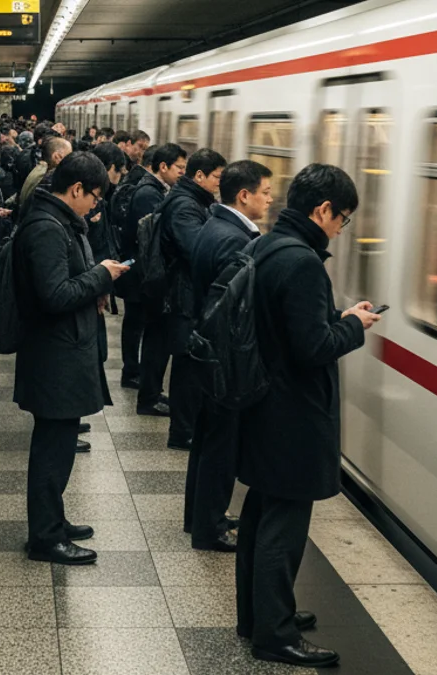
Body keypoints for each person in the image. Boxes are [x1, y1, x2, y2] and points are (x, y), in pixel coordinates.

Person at [236, 163, 379, 668]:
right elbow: (310, 347)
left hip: (264, 403)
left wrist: (334, 317)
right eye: (342, 219)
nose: (341, 228)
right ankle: (273, 635)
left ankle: (257, 616)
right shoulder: (301, 262)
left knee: (260, 513)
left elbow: (288, 326)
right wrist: (354, 326)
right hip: (291, 413)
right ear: (322, 211)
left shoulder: (269, 245)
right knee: (284, 525)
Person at [14, 152, 130, 565]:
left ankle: (54, 520)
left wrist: (95, 282)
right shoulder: (47, 227)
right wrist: (101, 275)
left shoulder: (60, 220)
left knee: (59, 447)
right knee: (52, 449)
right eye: (94, 197)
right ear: (76, 189)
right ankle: (45, 537)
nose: (96, 205)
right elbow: (54, 294)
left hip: (62, 349)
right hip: (53, 356)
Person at [183, 159, 272, 553]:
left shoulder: (213, 225)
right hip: (223, 356)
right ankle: (209, 527)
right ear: (244, 195)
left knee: (205, 439)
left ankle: (197, 515)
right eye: (266, 193)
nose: (270, 201)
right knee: (221, 445)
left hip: (204, 348)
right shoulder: (237, 239)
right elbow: (234, 307)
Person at [157, 147, 226, 451]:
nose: (218, 185)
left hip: (185, 293)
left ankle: (186, 427)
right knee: (186, 367)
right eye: (216, 178)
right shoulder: (185, 206)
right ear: (199, 176)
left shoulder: (190, 200)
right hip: (183, 296)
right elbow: (198, 251)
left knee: (188, 365)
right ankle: (182, 432)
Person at [126, 143, 184, 399]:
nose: (184, 173)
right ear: (163, 167)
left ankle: (140, 378)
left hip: (144, 274)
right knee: (147, 331)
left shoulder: (154, 190)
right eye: (180, 168)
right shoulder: (150, 194)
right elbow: (149, 241)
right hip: (144, 276)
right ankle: (138, 379)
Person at [87, 142, 128, 263]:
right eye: (119, 172)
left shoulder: (106, 193)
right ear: (111, 168)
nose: (119, 178)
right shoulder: (94, 197)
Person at [19, 135, 72, 216]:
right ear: (57, 157)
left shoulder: (39, 169)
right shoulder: (48, 180)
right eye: (69, 156)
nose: (71, 161)